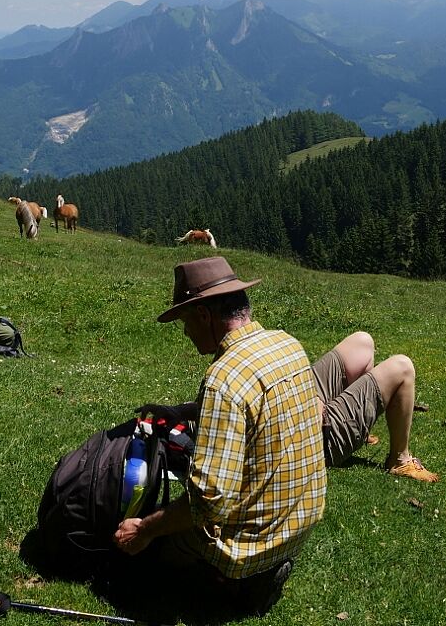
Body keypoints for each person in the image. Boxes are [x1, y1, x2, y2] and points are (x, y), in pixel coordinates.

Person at [113, 256, 326, 615]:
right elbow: (255, 405)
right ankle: (262, 570)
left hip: (249, 546)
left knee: (150, 552)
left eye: (185, 321)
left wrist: (145, 529)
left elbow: (209, 501)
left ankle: (233, 584)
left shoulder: (224, 379)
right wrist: (184, 412)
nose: (185, 332)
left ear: (204, 316)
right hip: (299, 523)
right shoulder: (286, 345)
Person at [313, 331, 439, 481]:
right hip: (314, 435)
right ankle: (400, 461)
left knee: (361, 343)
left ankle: (359, 428)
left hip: (303, 398)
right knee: (403, 368)